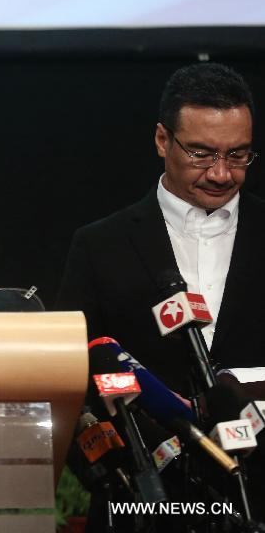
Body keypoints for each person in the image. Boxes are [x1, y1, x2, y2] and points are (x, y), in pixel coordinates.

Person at [57, 62, 263, 529]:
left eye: (239, 155)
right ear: (161, 140)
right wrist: (115, 478)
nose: (221, 173)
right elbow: (70, 378)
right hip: (142, 503)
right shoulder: (99, 244)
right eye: (202, 153)